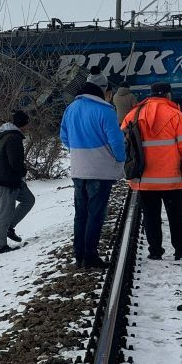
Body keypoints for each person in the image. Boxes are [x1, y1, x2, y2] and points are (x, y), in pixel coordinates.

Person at [122, 82, 182, 262]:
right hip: (171, 178)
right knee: (176, 215)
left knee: (150, 216)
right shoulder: (175, 114)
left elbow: (123, 145)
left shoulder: (133, 114)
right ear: (168, 96)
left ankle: (155, 251)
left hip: (144, 177)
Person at [60, 77, 126, 269]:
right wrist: (120, 159)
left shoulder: (71, 108)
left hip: (78, 170)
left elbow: (64, 136)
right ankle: (90, 256)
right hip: (100, 170)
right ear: (102, 92)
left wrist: (78, 152)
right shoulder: (105, 110)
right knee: (95, 214)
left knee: (80, 214)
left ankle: (79, 256)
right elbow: (116, 141)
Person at [0, 110, 36, 254]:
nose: (29, 126)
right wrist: (23, 171)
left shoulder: (7, 135)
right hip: (6, 181)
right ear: (23, 124)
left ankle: (10, 227)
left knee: (28, 200)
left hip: (10, 179)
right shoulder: (13, 138)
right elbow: (14, 162)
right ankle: (1, 246)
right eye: (28, 123)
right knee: (6, 212)